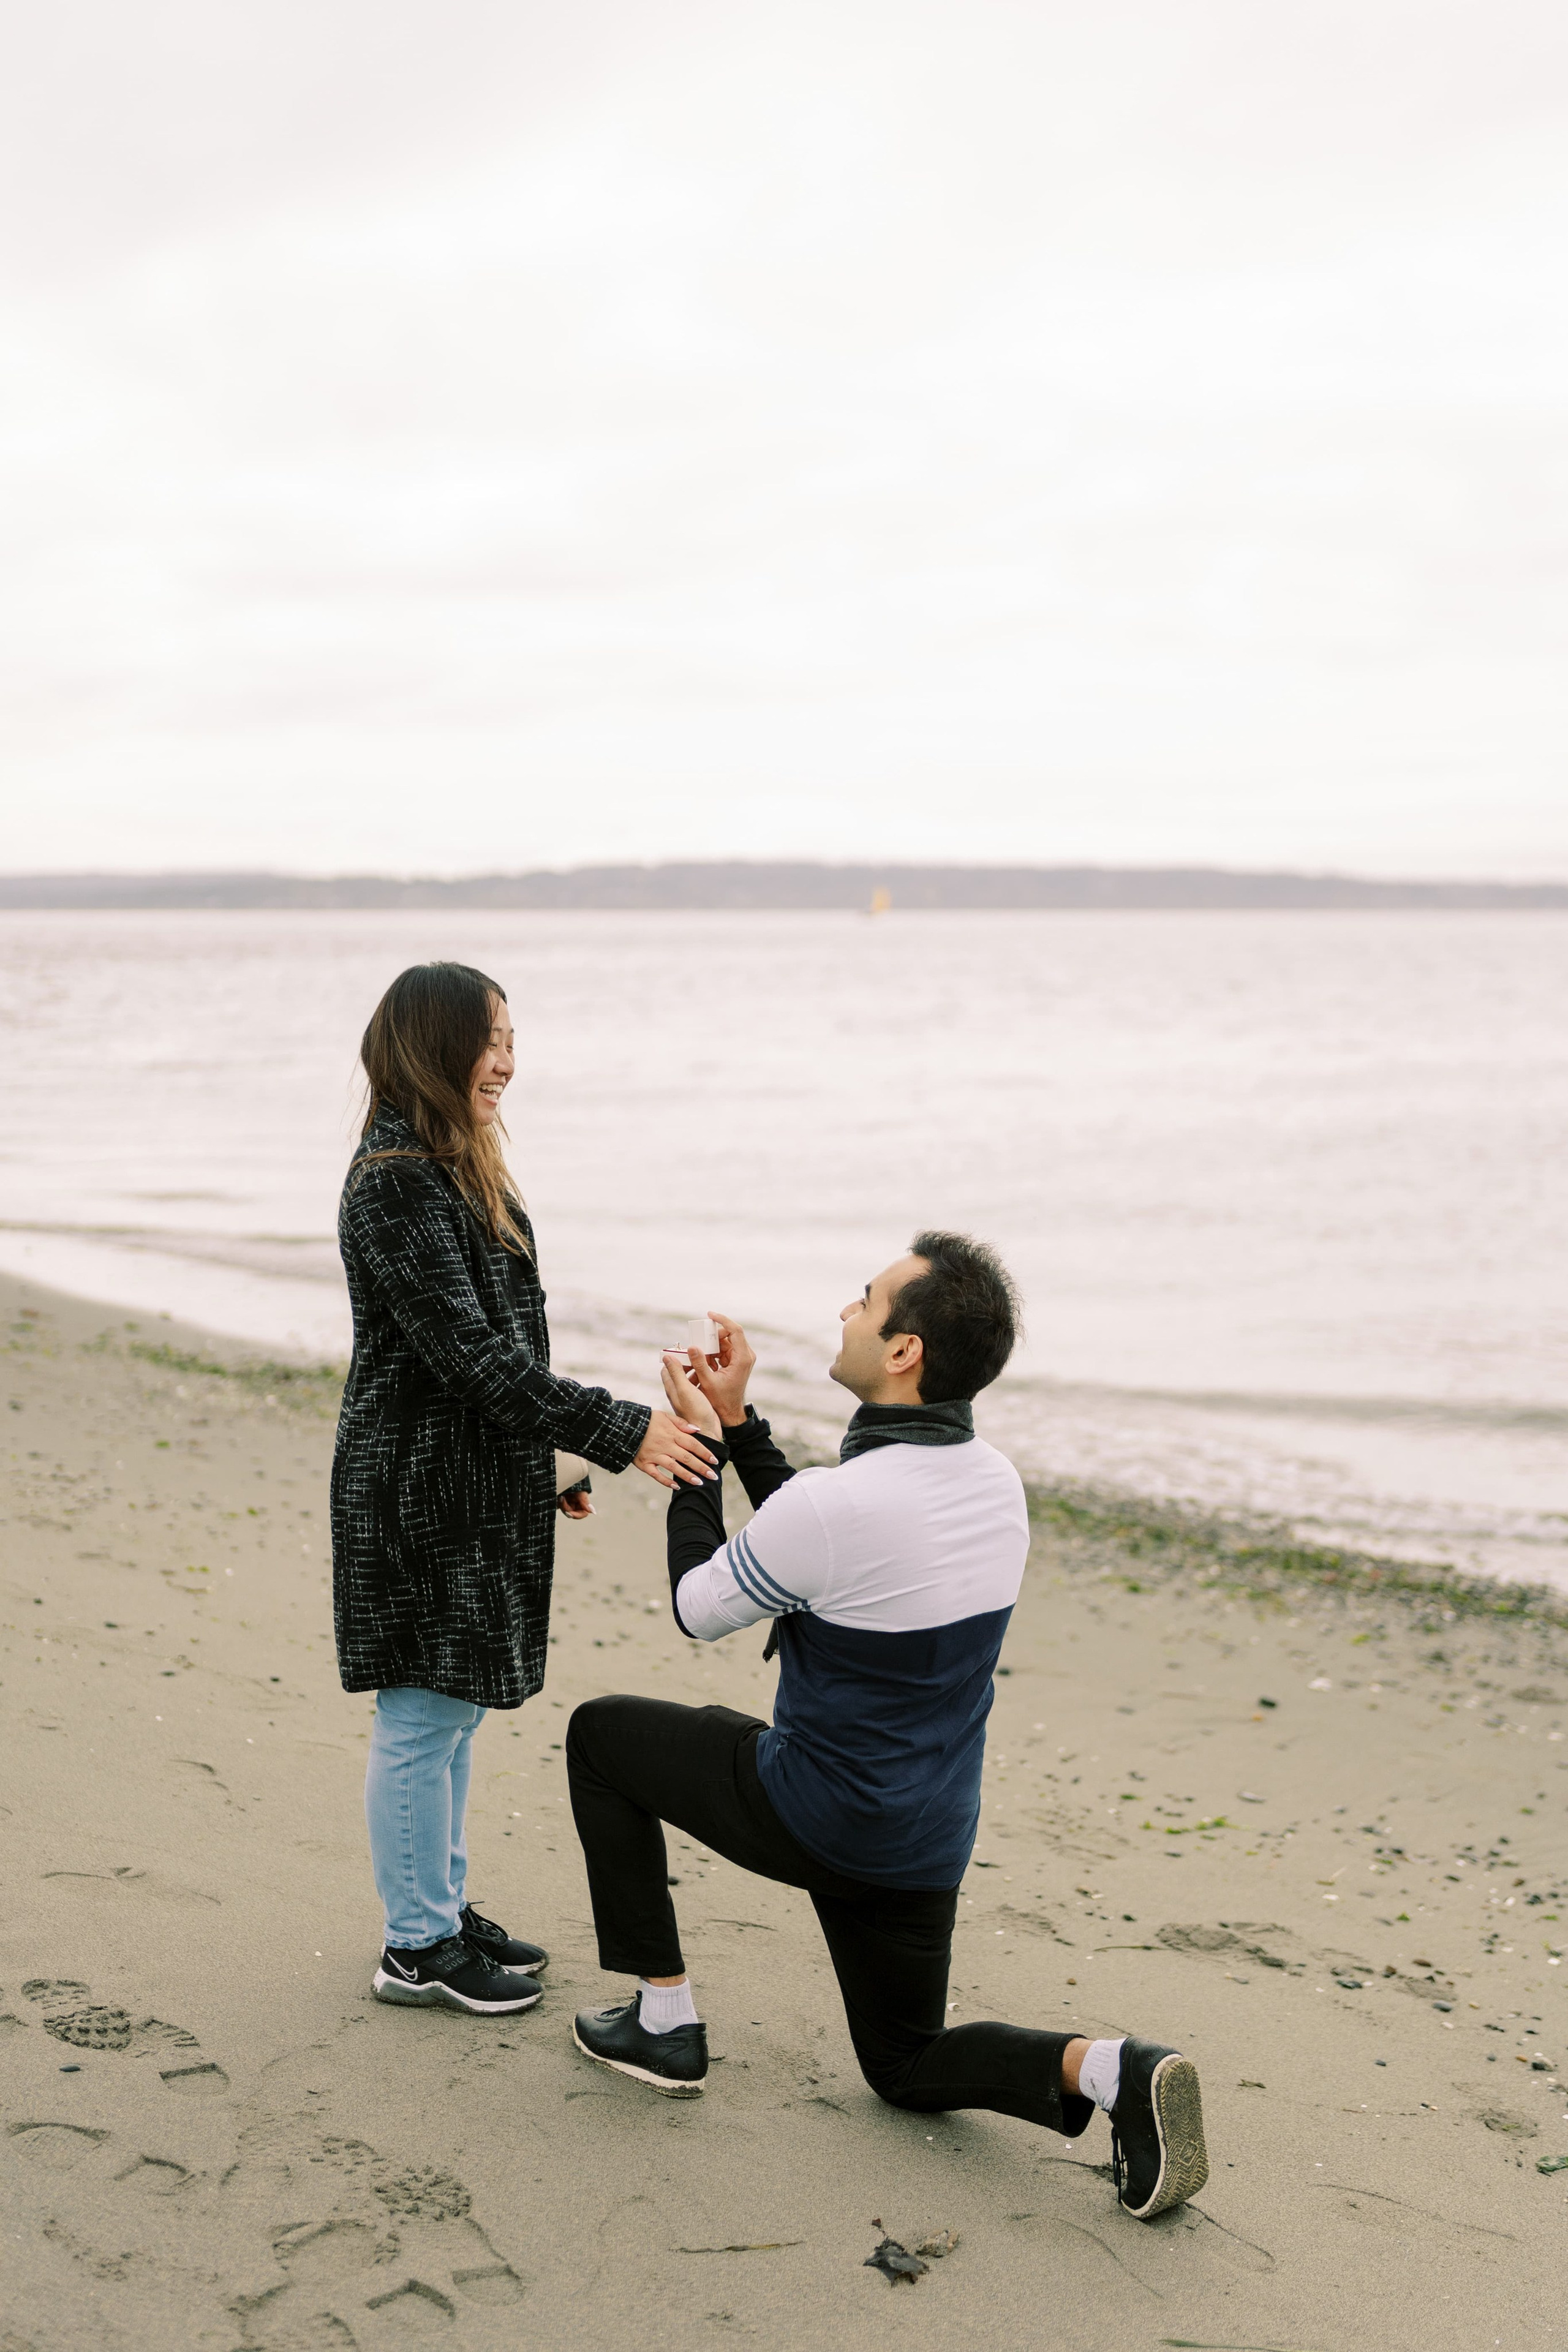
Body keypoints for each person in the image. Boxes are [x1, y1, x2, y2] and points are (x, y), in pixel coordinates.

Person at [564, 1233, 1209, 2221]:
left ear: (903, 1351)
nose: (846, 1314)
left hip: (814, 1812)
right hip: (925, 1837)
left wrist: (695, 1455)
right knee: (905, 2066)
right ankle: (1116, 2070)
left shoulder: (840, 1504)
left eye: (865, 1303)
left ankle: (663, 2018)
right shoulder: (996, 1486)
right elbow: (830, 1551)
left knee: (603, 1736)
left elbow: (703, 1605)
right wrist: (739, 1425)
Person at [331, 961, 716, 2018]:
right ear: (430, 1045)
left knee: (453, 1711)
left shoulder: (456, 1167)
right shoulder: (396, 1181)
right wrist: (620, 1429)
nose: (507, 1058)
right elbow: (464, 1356)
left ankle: (441, 1912)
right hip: (414, 1490)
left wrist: (545, 1468)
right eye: (488, 1038)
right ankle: (414, 1946)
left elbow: (493, 1353)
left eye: (512, 1036)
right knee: (419, 1712)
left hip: (470, 1479)